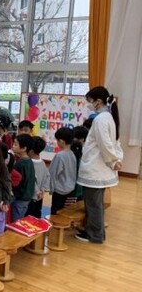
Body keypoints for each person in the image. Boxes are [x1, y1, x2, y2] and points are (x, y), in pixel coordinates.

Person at [75, 87, 123, 244]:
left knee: (93, 205)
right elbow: (114, 142)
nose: (89, 104)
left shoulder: (101, 119)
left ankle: (95, 235)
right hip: (99, 168)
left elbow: (106, 145)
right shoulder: (108, 117)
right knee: (95, 204)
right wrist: (116, 159)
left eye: (90, 101)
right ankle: (95, 231)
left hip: (96, 169)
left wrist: (113, 161)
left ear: (98, 101)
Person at [49, 128, 77, 215]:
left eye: (57, 140)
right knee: (64, 211)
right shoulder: (72, 154)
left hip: (60, 190)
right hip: (70, 188)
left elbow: (53, 173)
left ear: (61, 141)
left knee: (56, 212)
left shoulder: (60, 156)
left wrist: (50, 188)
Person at [11, 134, 35, 221]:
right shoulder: (29, 161)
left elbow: (16, 181)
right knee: (21, 218)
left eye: (15, 144)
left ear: (24, 148)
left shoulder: (20, 164)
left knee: (16, 220)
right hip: (27, 196)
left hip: (20, 197)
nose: (13, 146)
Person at [27, 136, 50, 218]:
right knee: (37, 215)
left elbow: (32, 180)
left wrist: (37, 191)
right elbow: (47, 177)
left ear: (31, 150)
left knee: (29, 218)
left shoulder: (29, 163)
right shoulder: (43, 163)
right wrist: (43, 190)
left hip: (32, 197)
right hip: (40, 196)